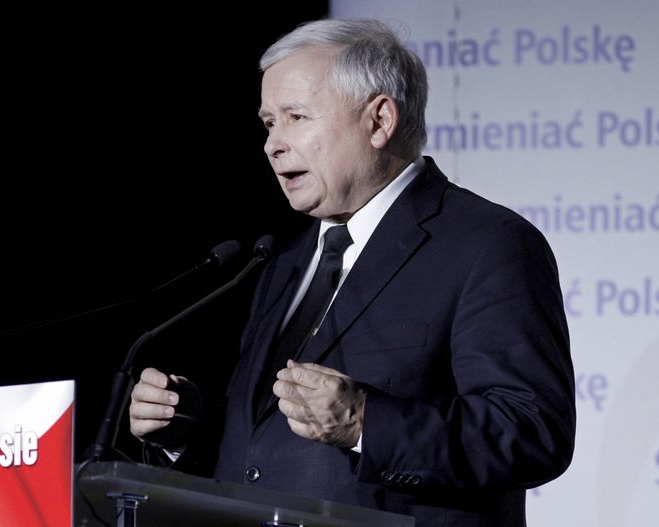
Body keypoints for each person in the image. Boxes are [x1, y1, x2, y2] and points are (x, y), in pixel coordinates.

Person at [129, 19, 575, 526]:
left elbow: (533, 432)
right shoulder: (282, 262)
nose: (273, 144)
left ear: (379, 121)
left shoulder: (487, 243)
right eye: (269, 123)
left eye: (296, 117)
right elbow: (267, 460)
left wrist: (366, 422)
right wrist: (190, 431)